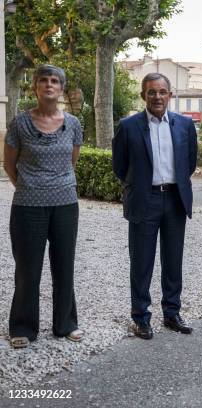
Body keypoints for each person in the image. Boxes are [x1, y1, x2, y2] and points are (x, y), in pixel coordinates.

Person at [3, 64, 84, 348]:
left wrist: (54, 185)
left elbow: (71, 162)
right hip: (28, 206)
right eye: (43, 80)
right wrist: (30, 187)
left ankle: (66, 324)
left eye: (54, 81)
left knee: (64, 266)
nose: (49, 85)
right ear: (35, 87)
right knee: (28, 268)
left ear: (61, 88)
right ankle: (23, 328)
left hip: (65, 205)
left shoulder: (73, 124)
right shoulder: (19, 123)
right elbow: (9, 165)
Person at [112, 73, 198, 339]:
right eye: (151, 92)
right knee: (142, 262)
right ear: (143, 96)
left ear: (170, 95)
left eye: (162, 92)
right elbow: (120, 166)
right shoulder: (128, 126)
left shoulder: (184, 125)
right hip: (144, 200)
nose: (157, 97)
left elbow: (190, 163)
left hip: (175, 199)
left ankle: (172, 313)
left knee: (173, 260)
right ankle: (141, 317)